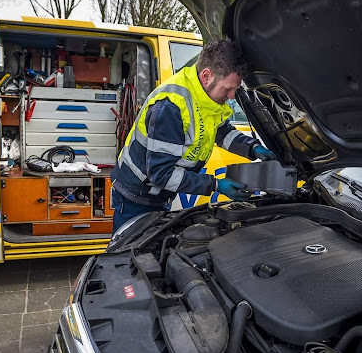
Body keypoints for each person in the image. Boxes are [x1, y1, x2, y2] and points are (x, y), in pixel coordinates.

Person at [110, 38, 276, 233]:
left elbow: (222, 133)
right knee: (129, 255)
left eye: (236, 89)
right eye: (228, 88)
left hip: (158, 195)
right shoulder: (171, 107)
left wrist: (253, 148)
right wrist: (215, 185)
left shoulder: (205, 98)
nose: (232, 96)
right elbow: (161, 174)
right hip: (136, 198)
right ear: (207, 76)